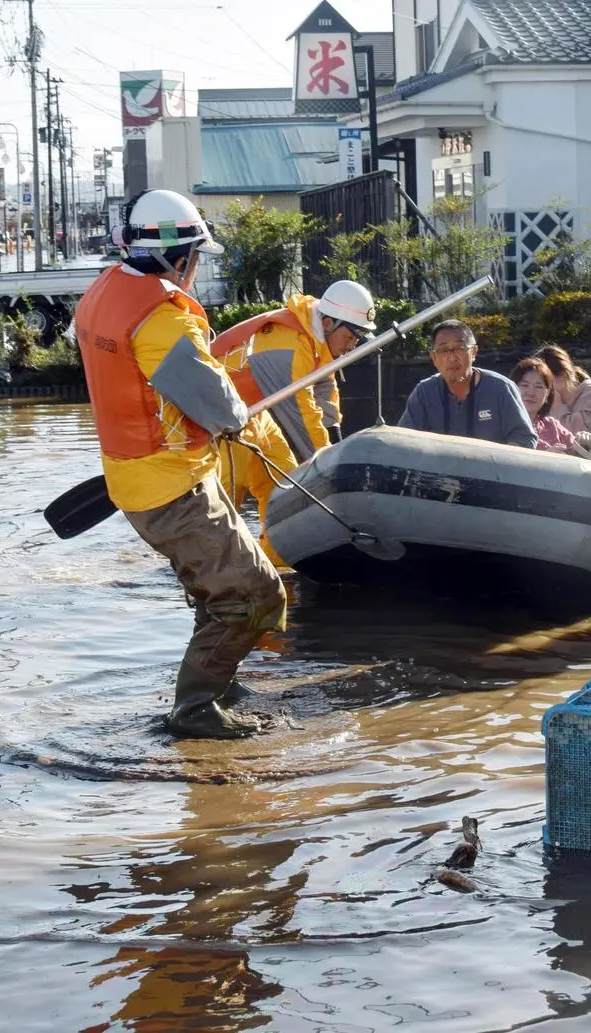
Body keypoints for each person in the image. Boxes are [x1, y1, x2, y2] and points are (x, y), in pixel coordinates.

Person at [73, 188, 286, 739]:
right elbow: (220, 407)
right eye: (195, 259)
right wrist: (237, 414)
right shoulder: (163, 321)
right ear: (180, 257)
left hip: (136, 480)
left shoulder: (103, 293)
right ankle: (195, 707)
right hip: (174, 488)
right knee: (257, 596)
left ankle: (219, 676)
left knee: (214, 591)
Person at [212, 281, 376, 564]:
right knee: (226, 495)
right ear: (328, 323)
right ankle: (208, 569)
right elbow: (301, 414)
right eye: (350, 336)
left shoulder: (314, 333)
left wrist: (335, 440)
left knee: (285, 485)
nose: (353, 345)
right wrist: (329, 469)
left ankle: (276, 561)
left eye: (358, 338)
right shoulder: (287, 346)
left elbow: (324, 389)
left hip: (254, 414)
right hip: (220, 420)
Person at [398, 319, 537, 447]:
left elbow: (524, 438)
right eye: (444, 350)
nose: (452, 357)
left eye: (459, 348)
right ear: (433, 357)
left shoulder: (501, 388)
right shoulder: (424, 392)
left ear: (474, 352)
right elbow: (403, 441)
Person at [534, 344, 591, 441]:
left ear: (563, 374)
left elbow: (579, 434)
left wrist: (557, 407)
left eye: (546, 379)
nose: (543, 385)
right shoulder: (543, 398)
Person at [512, 355, 578, 452]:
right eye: (524, 385)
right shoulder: (501, 424)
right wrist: (547, 457)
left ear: (548, 394)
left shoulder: (552, 426)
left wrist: (584, 440)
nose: (531, 392)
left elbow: (576, 447)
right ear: (512, 388)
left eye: (538, 387)